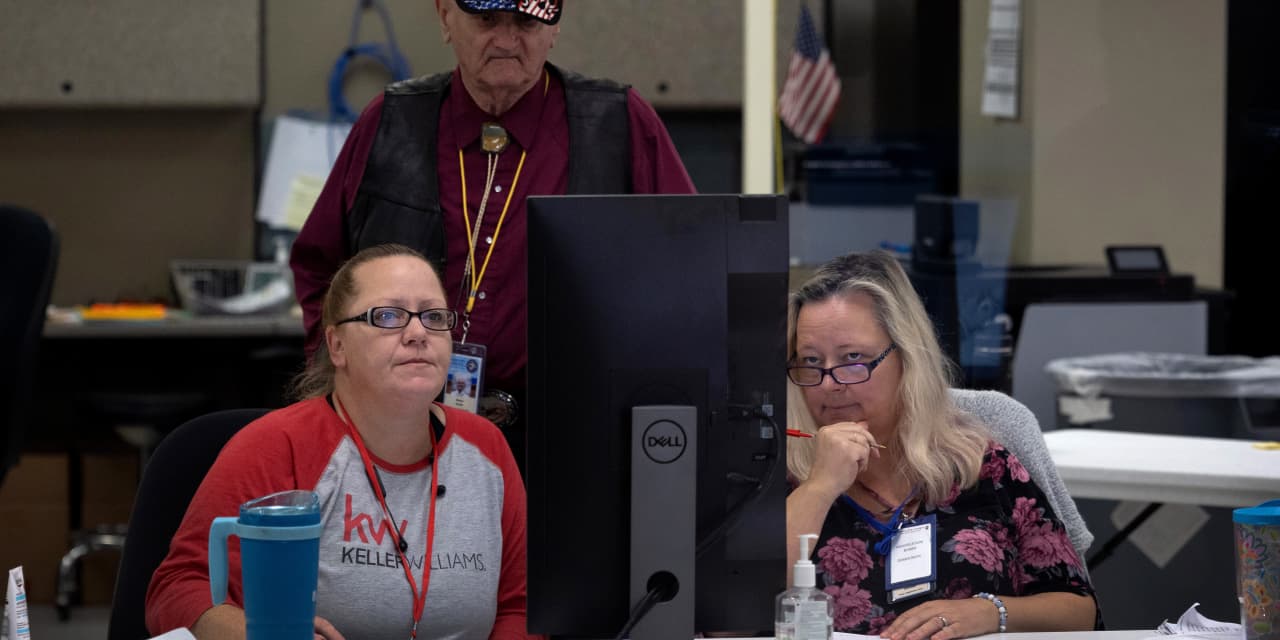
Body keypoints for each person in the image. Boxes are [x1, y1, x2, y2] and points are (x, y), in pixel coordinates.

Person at [290, 0, 697, 451]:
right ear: (446, 17)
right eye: (486, 21)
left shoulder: (617, 124)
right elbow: (320, 266)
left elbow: (689, 267)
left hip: (575, 432)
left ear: (554, 26)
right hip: (407, 427)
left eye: (525, 22)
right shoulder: (389, 122)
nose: (505, 40)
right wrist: (342, 380)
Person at [147, 244, 528, 639]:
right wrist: (263, 635)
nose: (418, 333)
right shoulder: (279, 445)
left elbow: (520, 605)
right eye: (389, 316)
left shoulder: (486, 448)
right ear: (337, 346)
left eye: (433, 316)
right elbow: (177, 588)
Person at [784, 251, 1100, 639]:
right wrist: (819, 486)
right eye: (811, 361)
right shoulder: (777, 469)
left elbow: (1079, 610)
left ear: (907, 357)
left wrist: (991, 611)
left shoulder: (981, 461)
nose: (829, 383)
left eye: (853, 358)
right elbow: (725, 625)